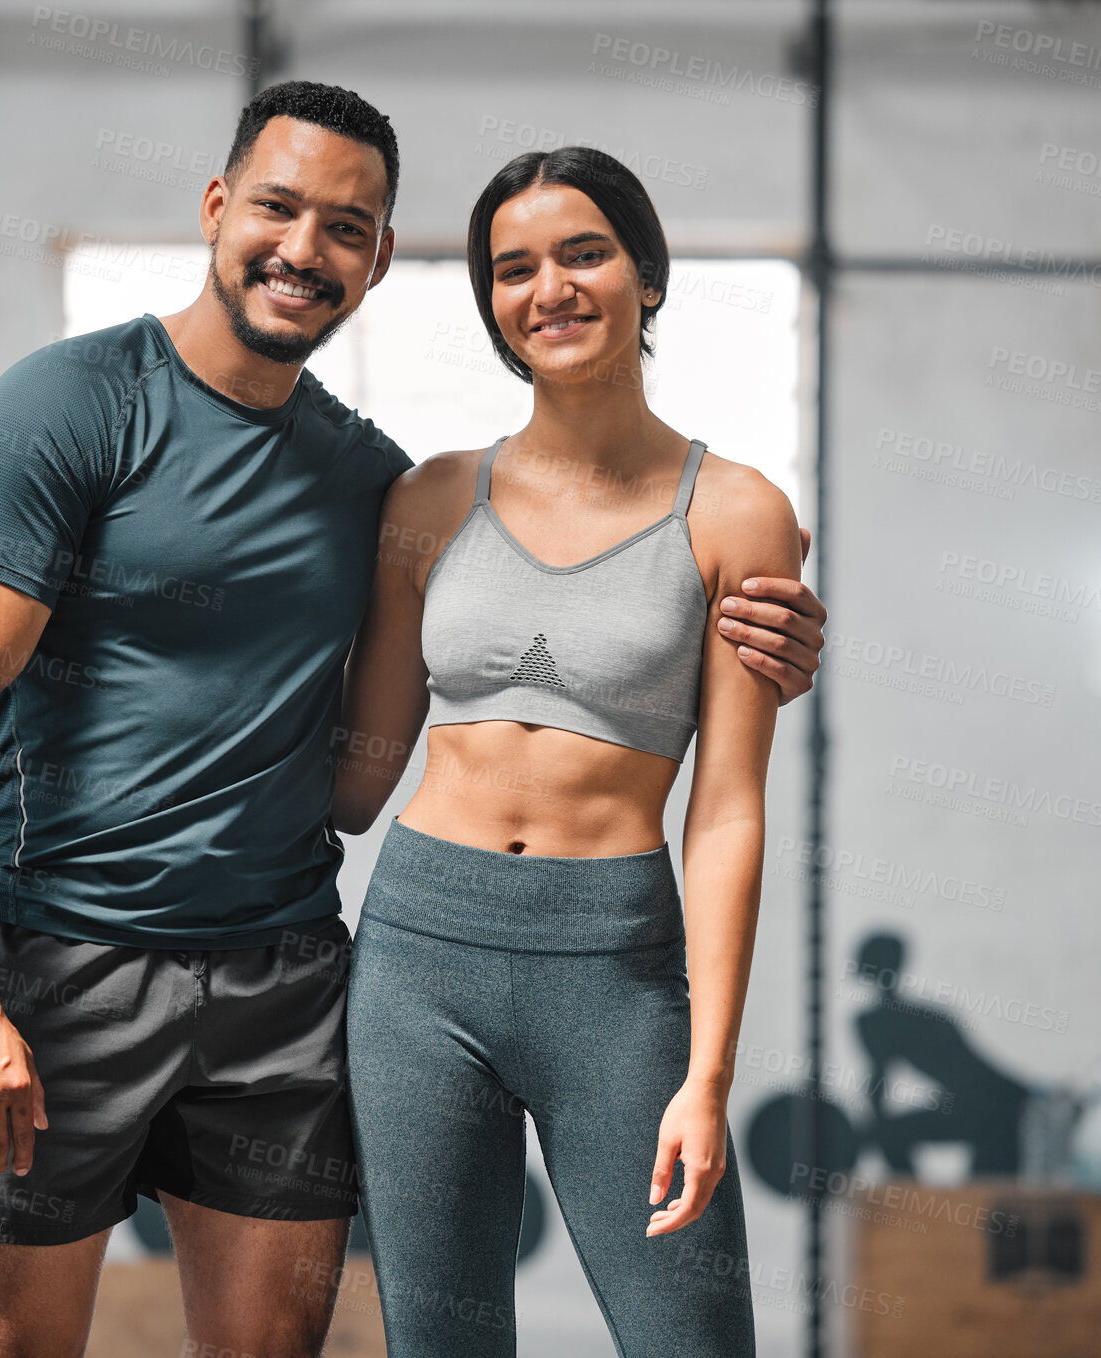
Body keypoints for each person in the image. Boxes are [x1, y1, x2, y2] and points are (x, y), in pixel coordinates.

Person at [0, 81, 825, 1358]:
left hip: (358, 971)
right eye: (278, 207)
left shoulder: (390, 481)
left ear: (380, 258)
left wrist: (753, 643)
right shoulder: (117, 418)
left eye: (347, 226)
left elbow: (688, 795)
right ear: (218, 209)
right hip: (178, 960)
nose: (305, 247)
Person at [335, 145, 803, 1356]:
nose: (549, 286)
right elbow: (355, 771)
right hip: (417, 954)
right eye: (513, 267)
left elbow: (728, 811)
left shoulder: (737, 511)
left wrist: (706, 1074)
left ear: (644, 274)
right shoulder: (431, 500)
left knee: (691, 1337)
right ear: (492, 304)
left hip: (613, 969)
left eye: (582, 252)